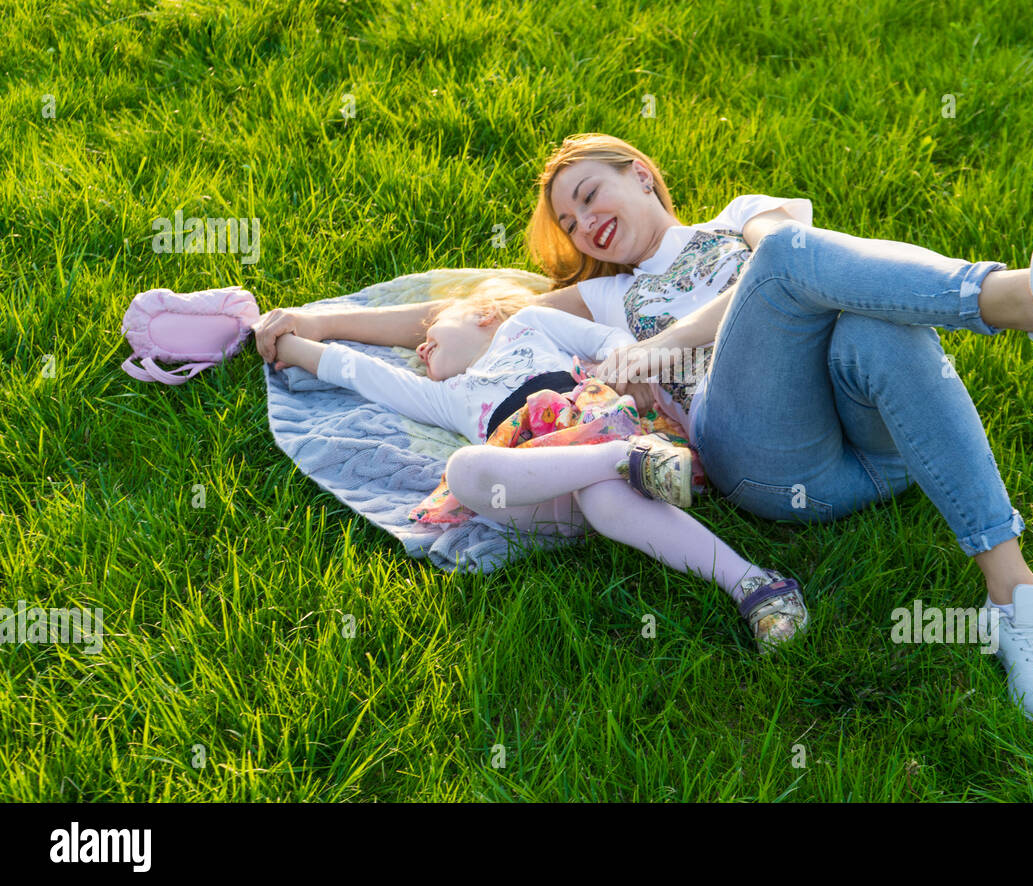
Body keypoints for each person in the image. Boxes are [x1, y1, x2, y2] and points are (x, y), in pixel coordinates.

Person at [255, 133, 1033, 726]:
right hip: (772, 463)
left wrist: (666, 347)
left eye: (589, 192)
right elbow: (465, 314)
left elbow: (779, 271)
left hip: (884, 431)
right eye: (569, 220)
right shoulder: (603, 296)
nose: (583, 221)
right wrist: (314, 323)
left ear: (642, 174)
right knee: (801, 272)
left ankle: (1015, 601)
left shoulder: (745, 221)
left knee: (858, 313)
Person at [256, 278, 811, 651]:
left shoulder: (529, 325)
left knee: (605, 497)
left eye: (428, 337)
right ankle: (628, 461)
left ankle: (755, 586)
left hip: (593, 427)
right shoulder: (450, 396)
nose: (421, 351)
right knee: (468, 470)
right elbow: (362, 375)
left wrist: (625, 369)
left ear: (481, 314)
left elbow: (613, 340)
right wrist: (294, 345)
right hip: (550, 489)